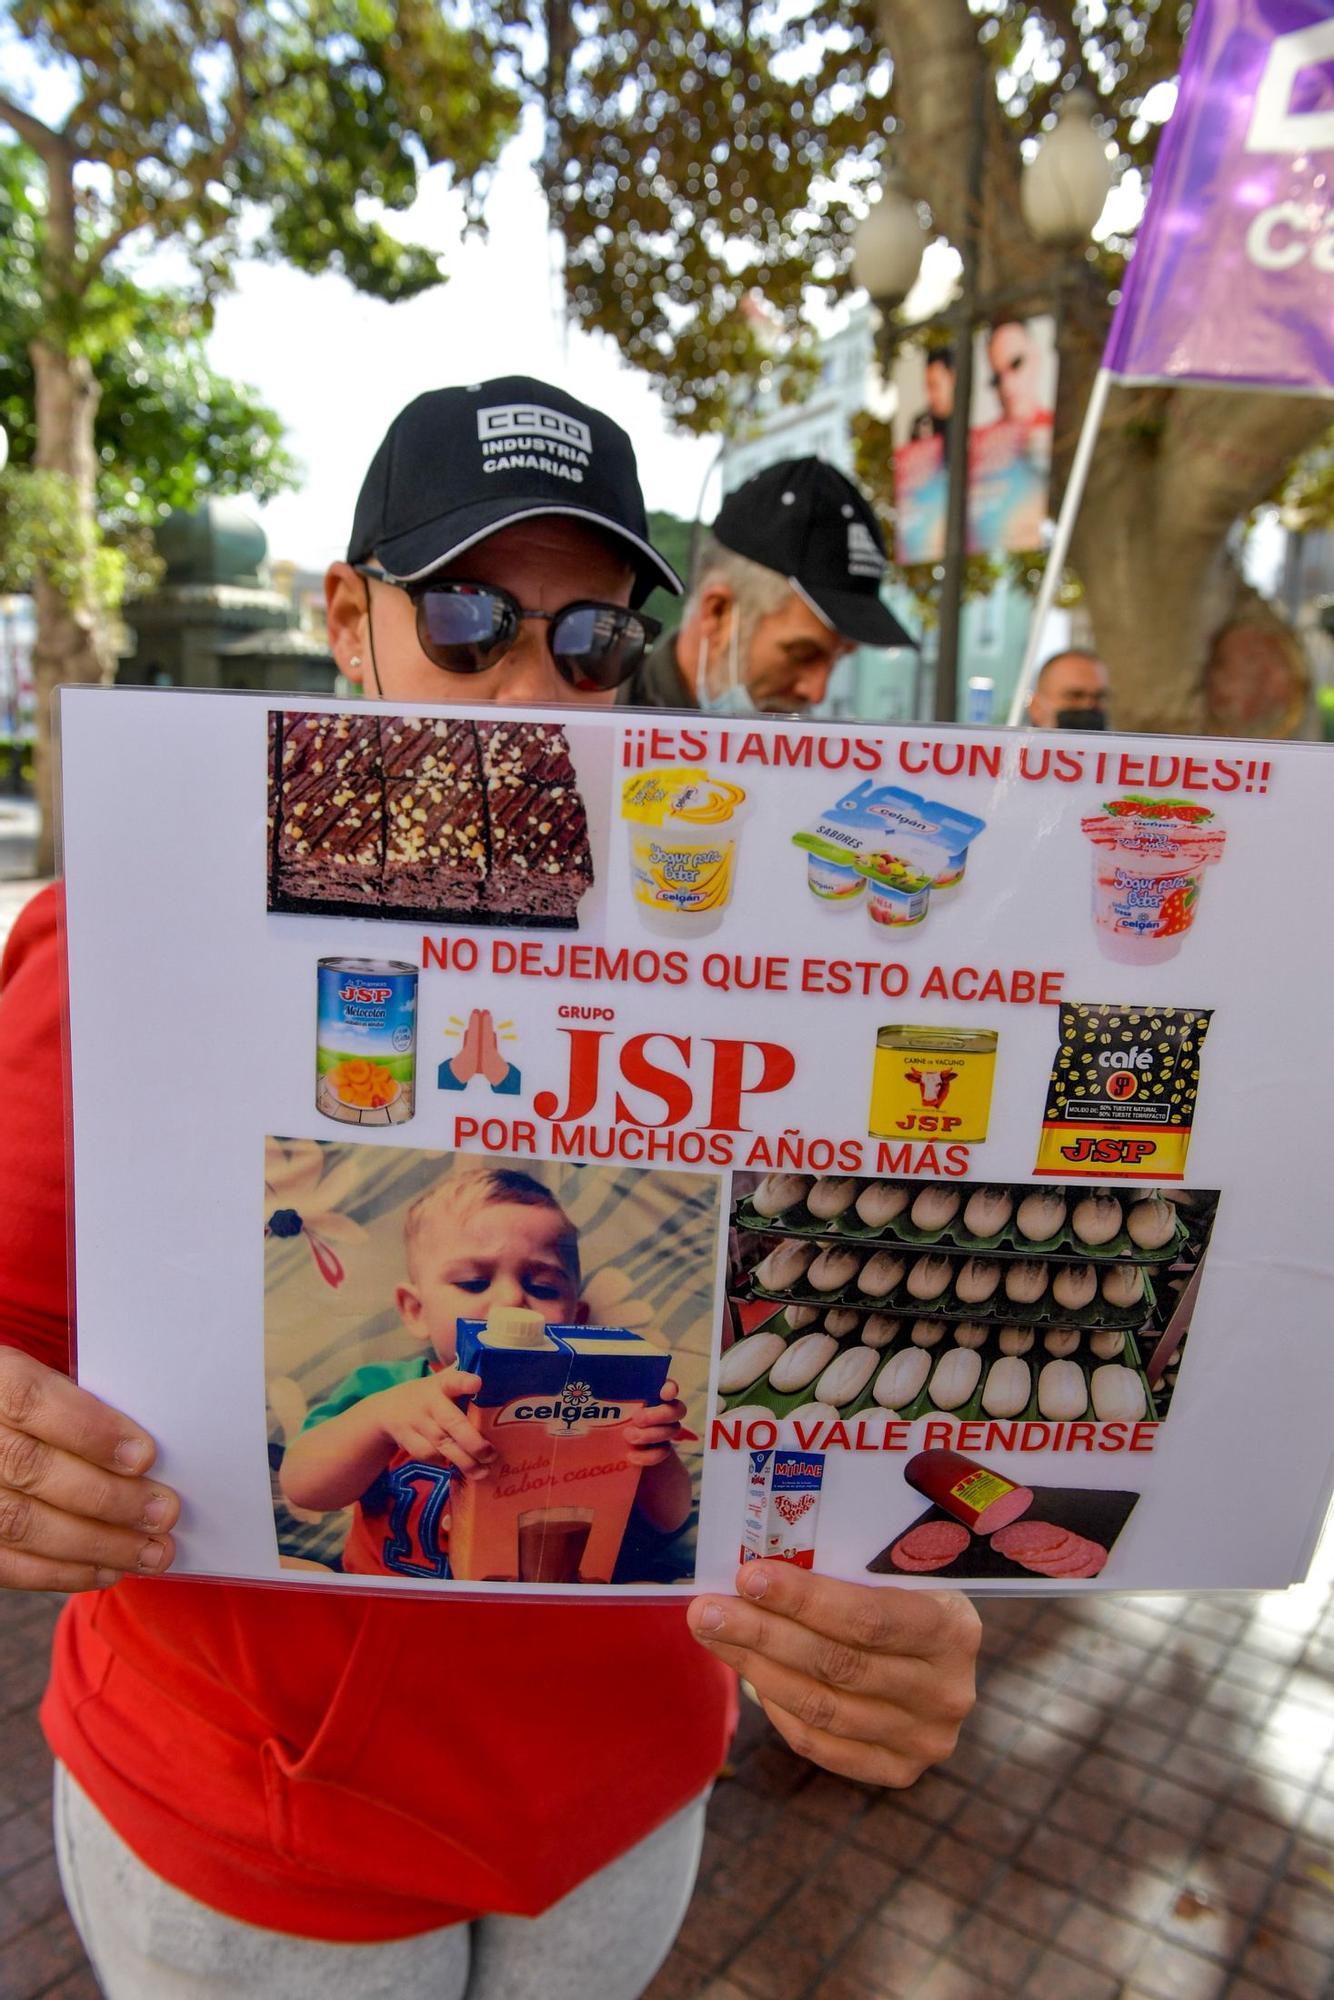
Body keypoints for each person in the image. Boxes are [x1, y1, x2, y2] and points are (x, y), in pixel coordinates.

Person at [0, 375, 980, 1998]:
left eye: (586, 640)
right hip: (259, 1837)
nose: (526, 691)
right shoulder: (138, 923)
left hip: (622, 1814)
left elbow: (856, 1365)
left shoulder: (757, 959)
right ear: (347, 614)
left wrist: (920, 1576)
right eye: (467, 619)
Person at [279, 1165, 691, 1565]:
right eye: (474, 1282)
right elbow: (303, 1488)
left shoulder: (593, 1408)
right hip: (391, 1611)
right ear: (416, 1310)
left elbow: (669, 1518)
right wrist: (379, 1419)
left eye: (542, 1287)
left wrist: (651, 1446)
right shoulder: (383, 1387)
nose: (511, 1300)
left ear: (577, 1319)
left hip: (522, 1613)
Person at [619, 455, 914, 716]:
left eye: (838, 659)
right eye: (802, 653)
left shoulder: (813, 767)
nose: (817, 692)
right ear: (718, 613)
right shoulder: (595, 730)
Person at [1025, 647, 1111, 729]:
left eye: (1099, 697)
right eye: (1075, 696)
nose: (1088, 705)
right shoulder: (1014, 743)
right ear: (1036, 707)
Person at [909, 346, 955, 442]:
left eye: (935, 386)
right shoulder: (923, 425)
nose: (930, 396)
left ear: (953, 378)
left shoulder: (972, 420)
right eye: (927, 388)